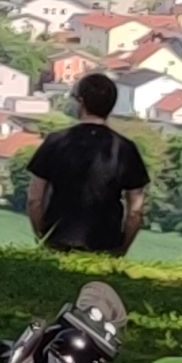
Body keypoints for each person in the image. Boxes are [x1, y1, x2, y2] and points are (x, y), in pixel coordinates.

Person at [22, 69, 149, 254]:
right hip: (105, 244)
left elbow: (35, 199)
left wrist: (42, 237)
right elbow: (135, 212)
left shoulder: (56, 142)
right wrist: (122, 249)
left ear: (81, 102)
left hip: (58, 241)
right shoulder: (125, 149)